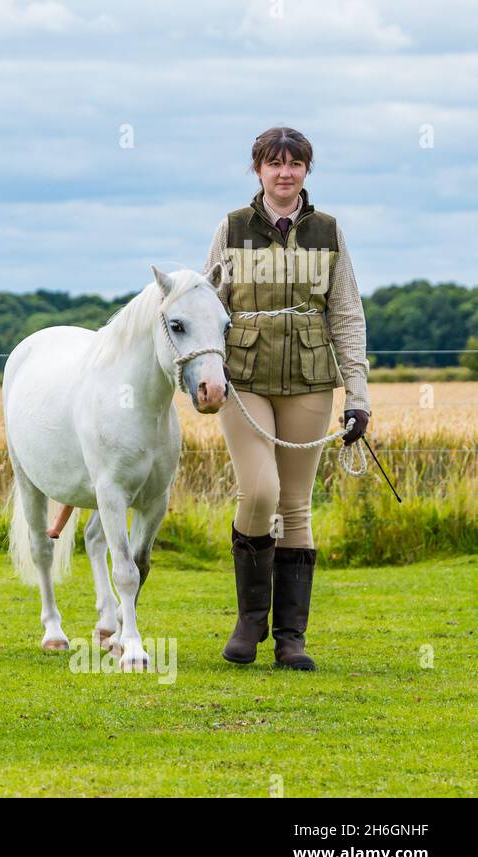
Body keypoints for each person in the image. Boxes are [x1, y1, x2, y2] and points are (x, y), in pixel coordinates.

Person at [204, 127, 371, 671]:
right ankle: (250, 621)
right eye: (274, 164)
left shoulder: (328, 231)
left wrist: (358, 396)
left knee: (296, 506)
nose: (284, 173)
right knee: (259, 492)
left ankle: (290, 638)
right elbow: (209, 305)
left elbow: (345, 314)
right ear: (257, 170)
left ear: (306, 170)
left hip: (310, 379)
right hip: (244, 378)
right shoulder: (231, 228)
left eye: (294, 164)